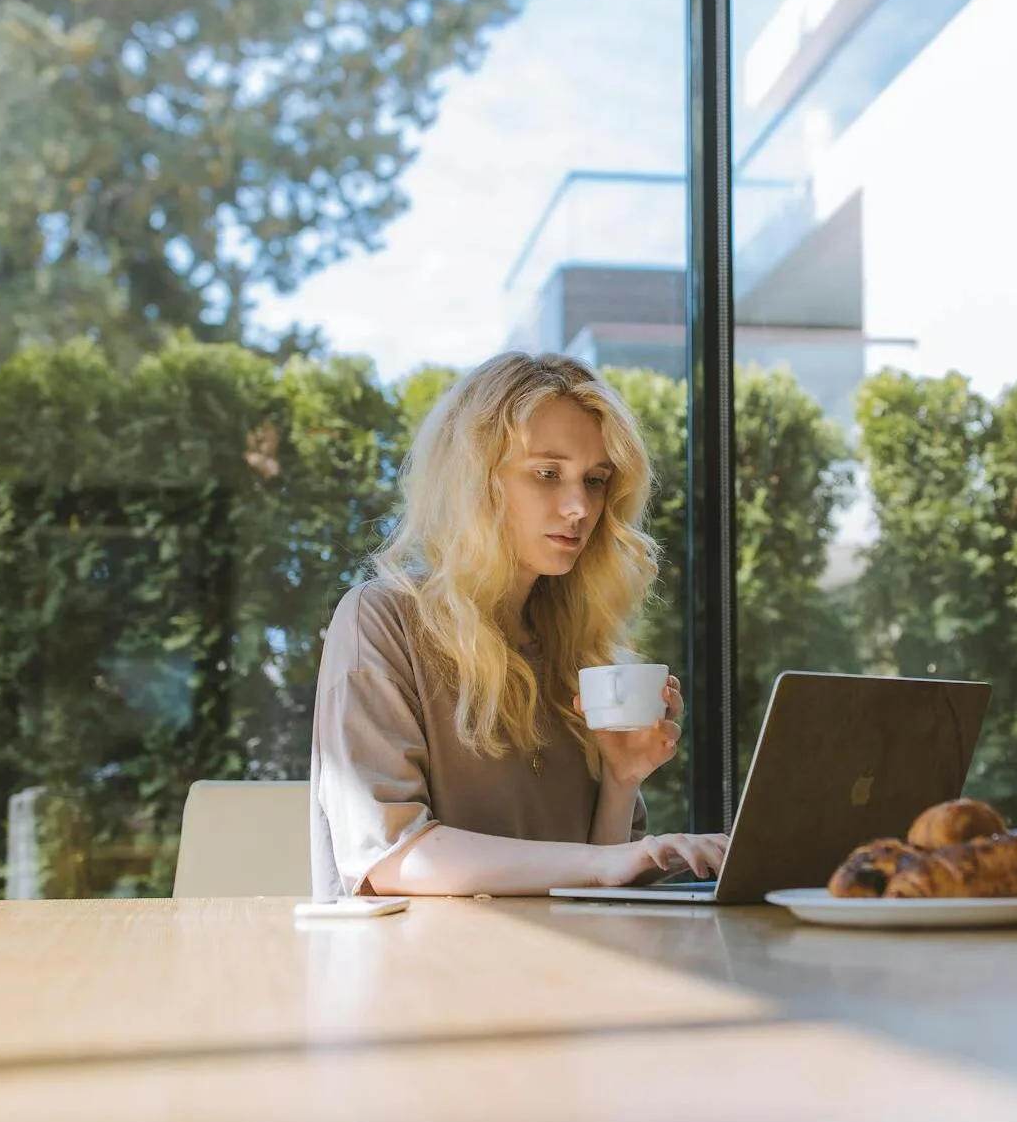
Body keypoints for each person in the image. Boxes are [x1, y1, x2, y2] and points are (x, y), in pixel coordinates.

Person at [310, 353, 729, 896]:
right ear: (476, 481)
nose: (579, 506)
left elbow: (591, 885)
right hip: (414, 972)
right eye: (547, 474)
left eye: (596, 480)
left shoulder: (580, 650)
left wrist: (622, 779)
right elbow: (391, 859)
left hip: (553, 970)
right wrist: (609, 864)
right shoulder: (382, 619)